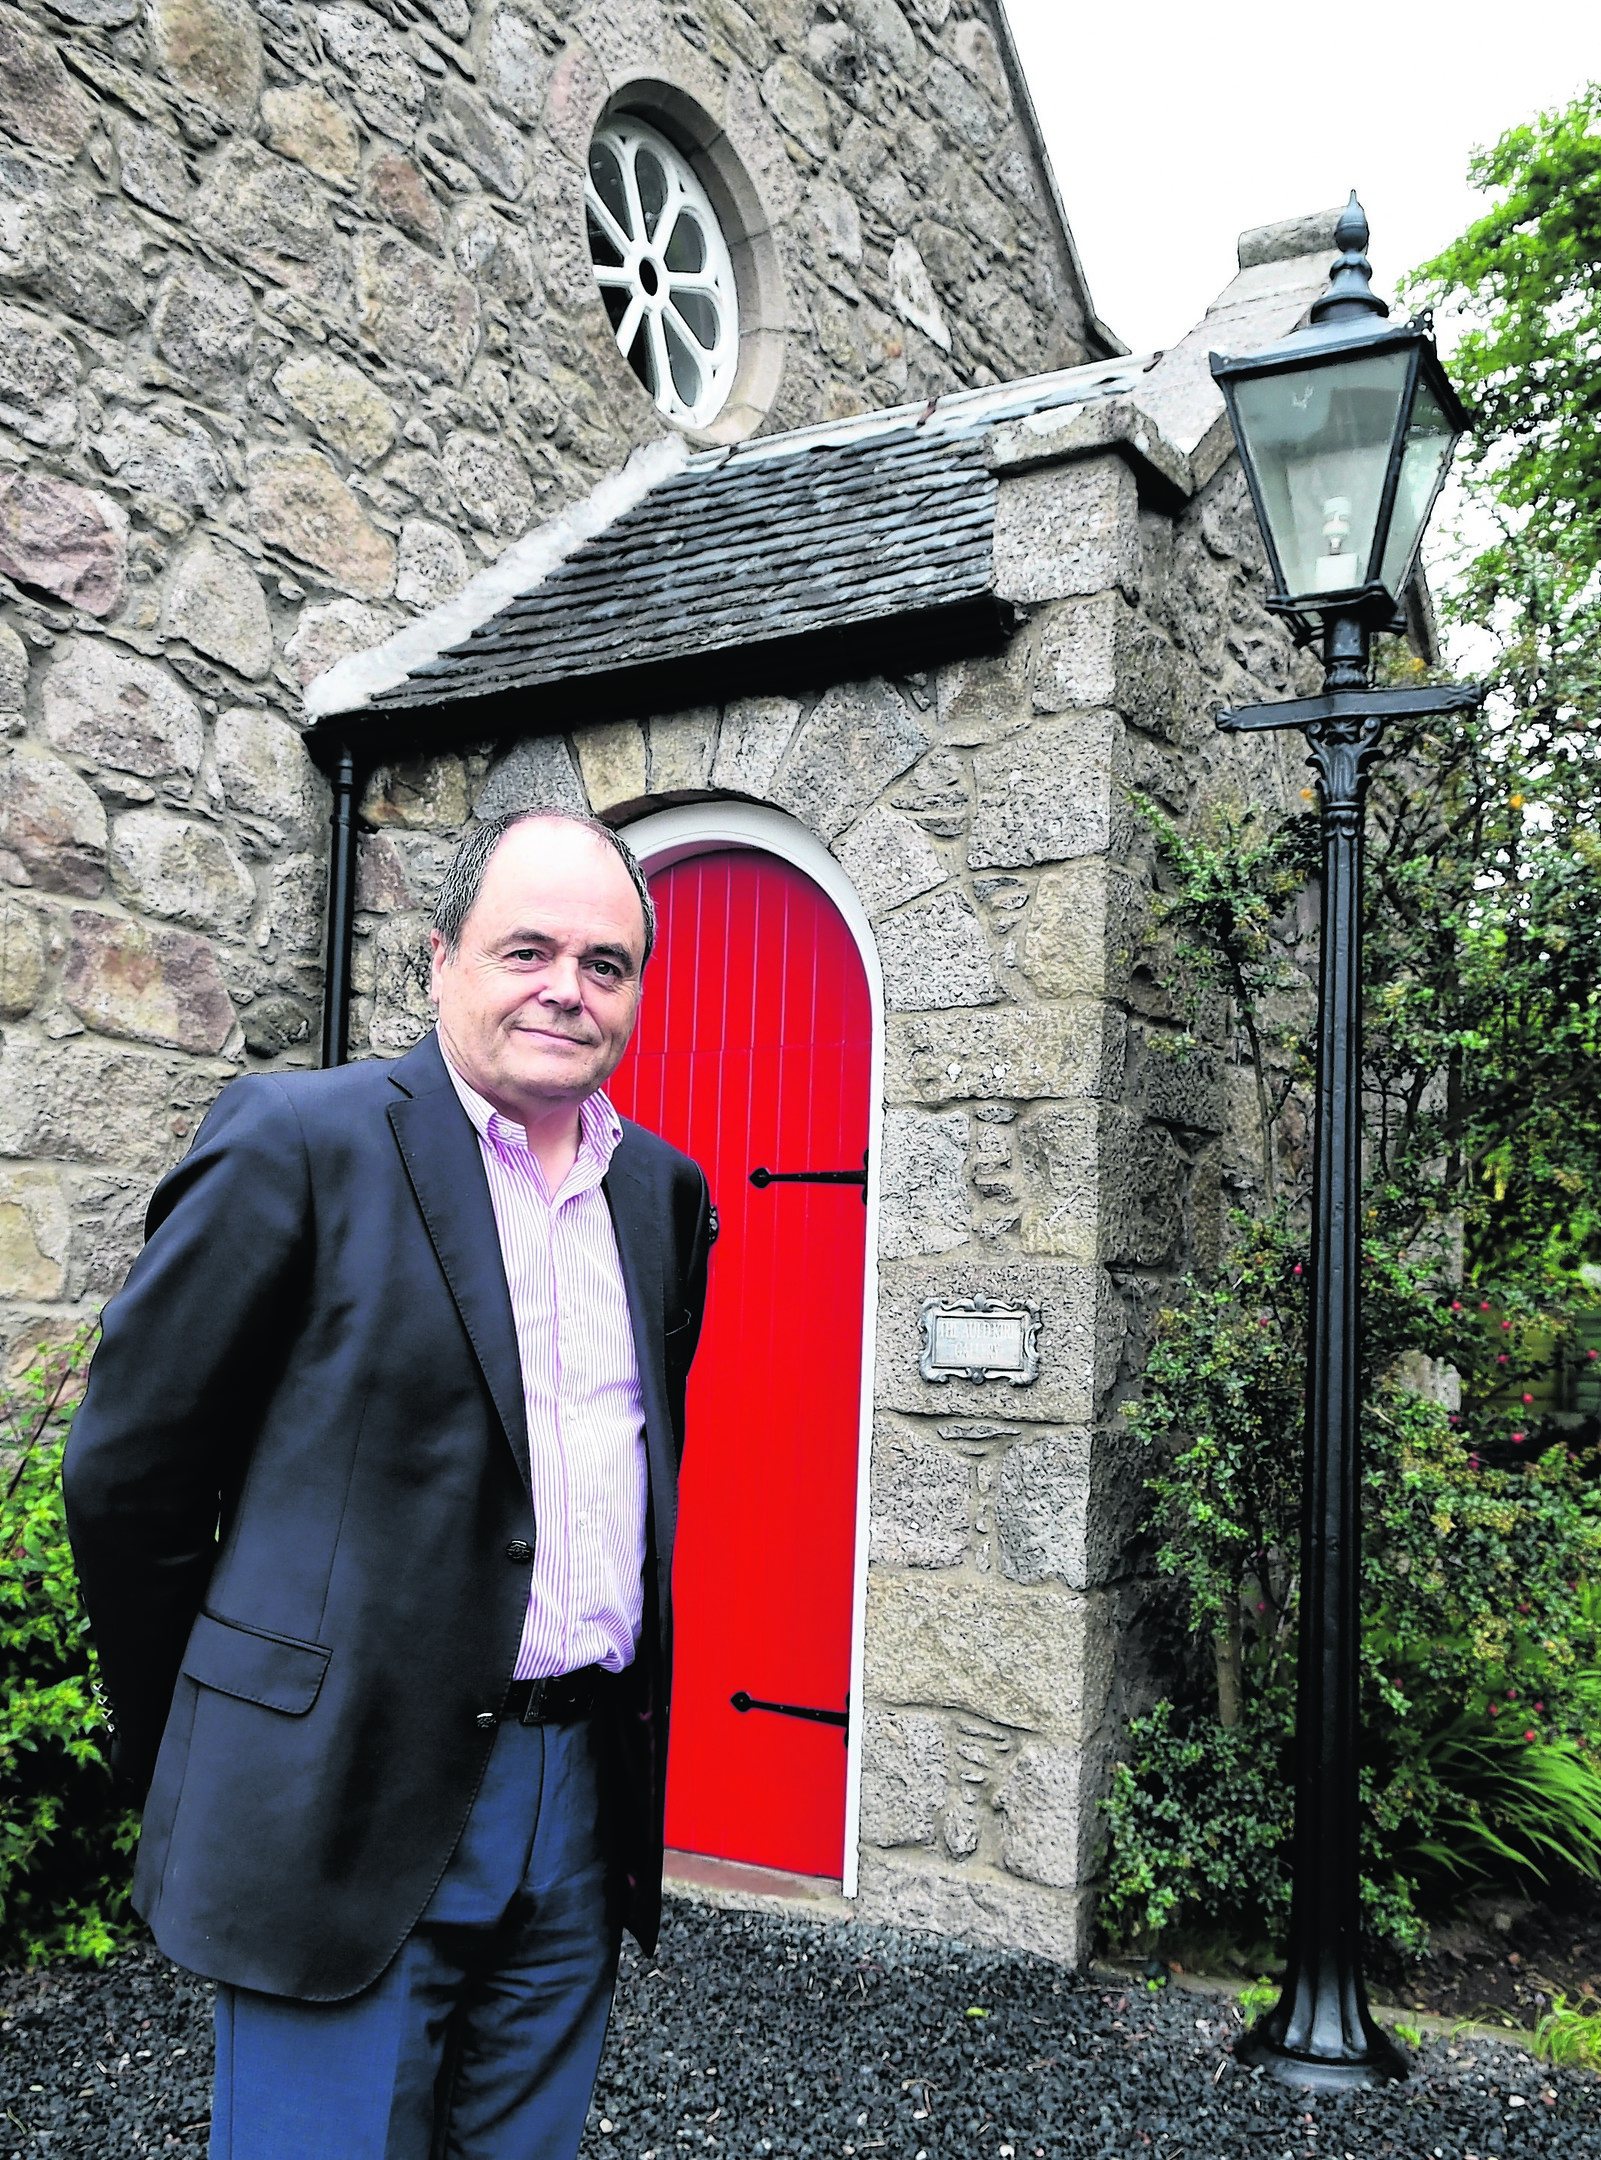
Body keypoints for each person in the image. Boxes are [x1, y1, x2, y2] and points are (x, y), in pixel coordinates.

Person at [64, 808, 712, 2160]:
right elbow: (132, 1475)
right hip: (337, 1797)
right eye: (526, 948)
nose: (566, 990)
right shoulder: (300, 1141)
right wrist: (213, 1737)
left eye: (605, 964)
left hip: (577, 1798)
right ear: (440, 960)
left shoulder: (659, 1193)